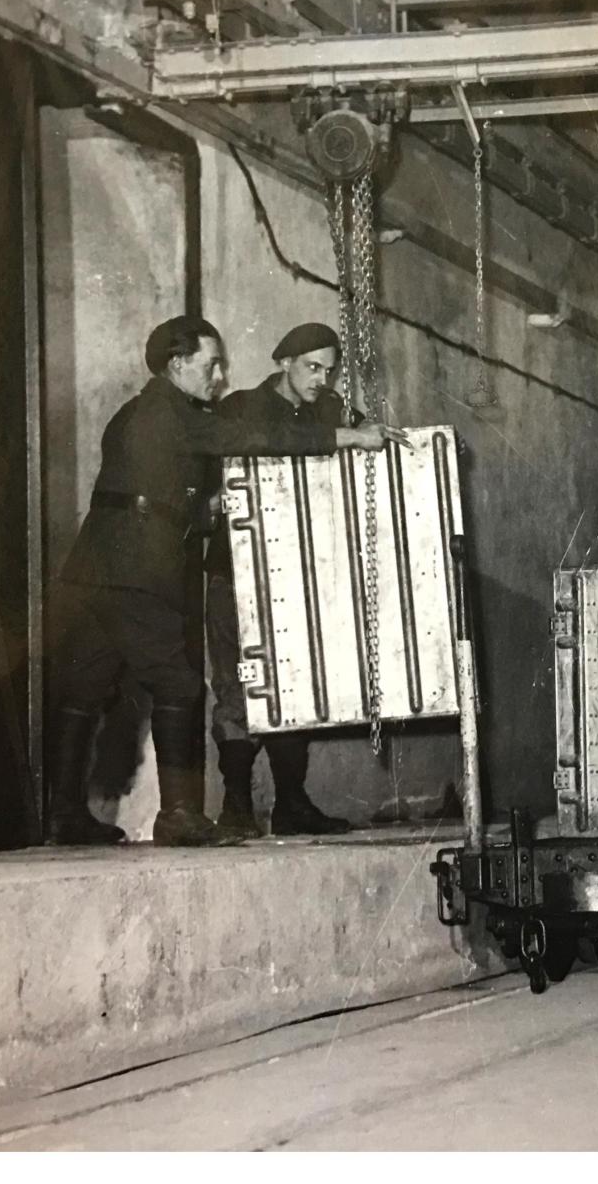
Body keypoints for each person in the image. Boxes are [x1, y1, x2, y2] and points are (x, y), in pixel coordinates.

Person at [47, 315, 398, 848]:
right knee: (178, 684)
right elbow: (245, 434)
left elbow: (154, 490)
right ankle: (178, 816)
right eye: (210, 364)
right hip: (137, 570)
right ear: (177, 363)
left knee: (83, 689)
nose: (218, 375)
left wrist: (205, 510)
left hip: (95, 568)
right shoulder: (172, 411)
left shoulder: (133, 414)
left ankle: (64, 815)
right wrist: (347, 437)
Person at [204, 321, 401, 837]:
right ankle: (237, 807)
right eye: (312, 367)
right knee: (238, 688)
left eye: (329, 370)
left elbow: (367, 448)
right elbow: (266, 441)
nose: (322, 379)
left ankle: (291, 803)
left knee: (297, 682)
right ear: (283, 362)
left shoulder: (330, 409)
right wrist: (347, 436)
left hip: (299, 576)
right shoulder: (241, 407)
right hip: (237, 573)